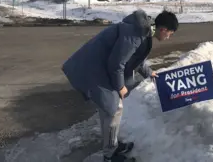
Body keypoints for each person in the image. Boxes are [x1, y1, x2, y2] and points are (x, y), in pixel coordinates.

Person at [62, 9, 179, 162]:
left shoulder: (142, 31)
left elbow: (136, 57)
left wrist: (149, 73)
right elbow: (117, 63)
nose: (169, 37)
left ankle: (111, 146)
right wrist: (120, 86)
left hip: (100, 68)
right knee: (114, 109)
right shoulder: (136, 34)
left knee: (109, 110)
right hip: (95, 69)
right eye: (170, 33)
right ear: (163, 29)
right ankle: (109, 156)